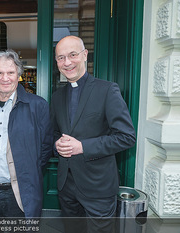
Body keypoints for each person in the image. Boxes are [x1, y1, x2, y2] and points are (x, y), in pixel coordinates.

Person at [50, 35, 136, 233]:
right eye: (61, 58)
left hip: (98, 186)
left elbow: (126, 136)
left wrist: (82, 147)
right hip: (66, 186)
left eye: (72, 55)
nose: (67, 62)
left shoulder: (107, 90)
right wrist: (57, 145)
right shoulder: (57, 97)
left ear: (85, 55)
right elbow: (55, 133)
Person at [0, 49, 53, 218]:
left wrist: (28, 171)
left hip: (19, 193)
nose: (5, 78)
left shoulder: (38, 106)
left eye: (10, 72)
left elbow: (46, 147)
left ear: (18, 75)